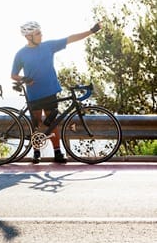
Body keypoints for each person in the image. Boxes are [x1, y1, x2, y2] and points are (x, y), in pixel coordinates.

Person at [11, 20, 101, 164]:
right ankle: (36, 152)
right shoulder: (21, 54)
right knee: (36, 123)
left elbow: (70, 39)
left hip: (50, 91)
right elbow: (13, 75)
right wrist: (24, 79)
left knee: (52, 123)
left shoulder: (48, 46)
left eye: (40, 32)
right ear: (28, 36)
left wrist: (91, 31)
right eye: (37, 33)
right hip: (34, 94)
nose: (41, 35)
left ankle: (57, 152)